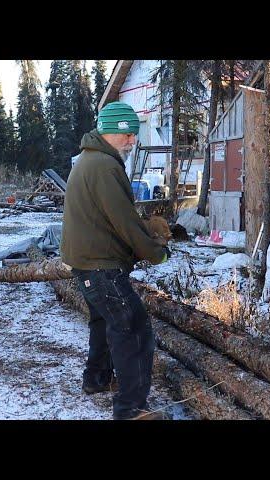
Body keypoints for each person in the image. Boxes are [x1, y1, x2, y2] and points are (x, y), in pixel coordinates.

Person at [60, 101, 170, 420]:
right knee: (134, 329)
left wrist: (144, 230)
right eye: (129, 135)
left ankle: (96, 379)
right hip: (101, 266)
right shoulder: (105, 167)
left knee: (104, 321)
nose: (133, 141)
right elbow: (124, 222)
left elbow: (109, 217)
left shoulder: (90, 160)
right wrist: (156, 252)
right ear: (114, 131)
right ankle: (131, 409)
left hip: (87, 262)